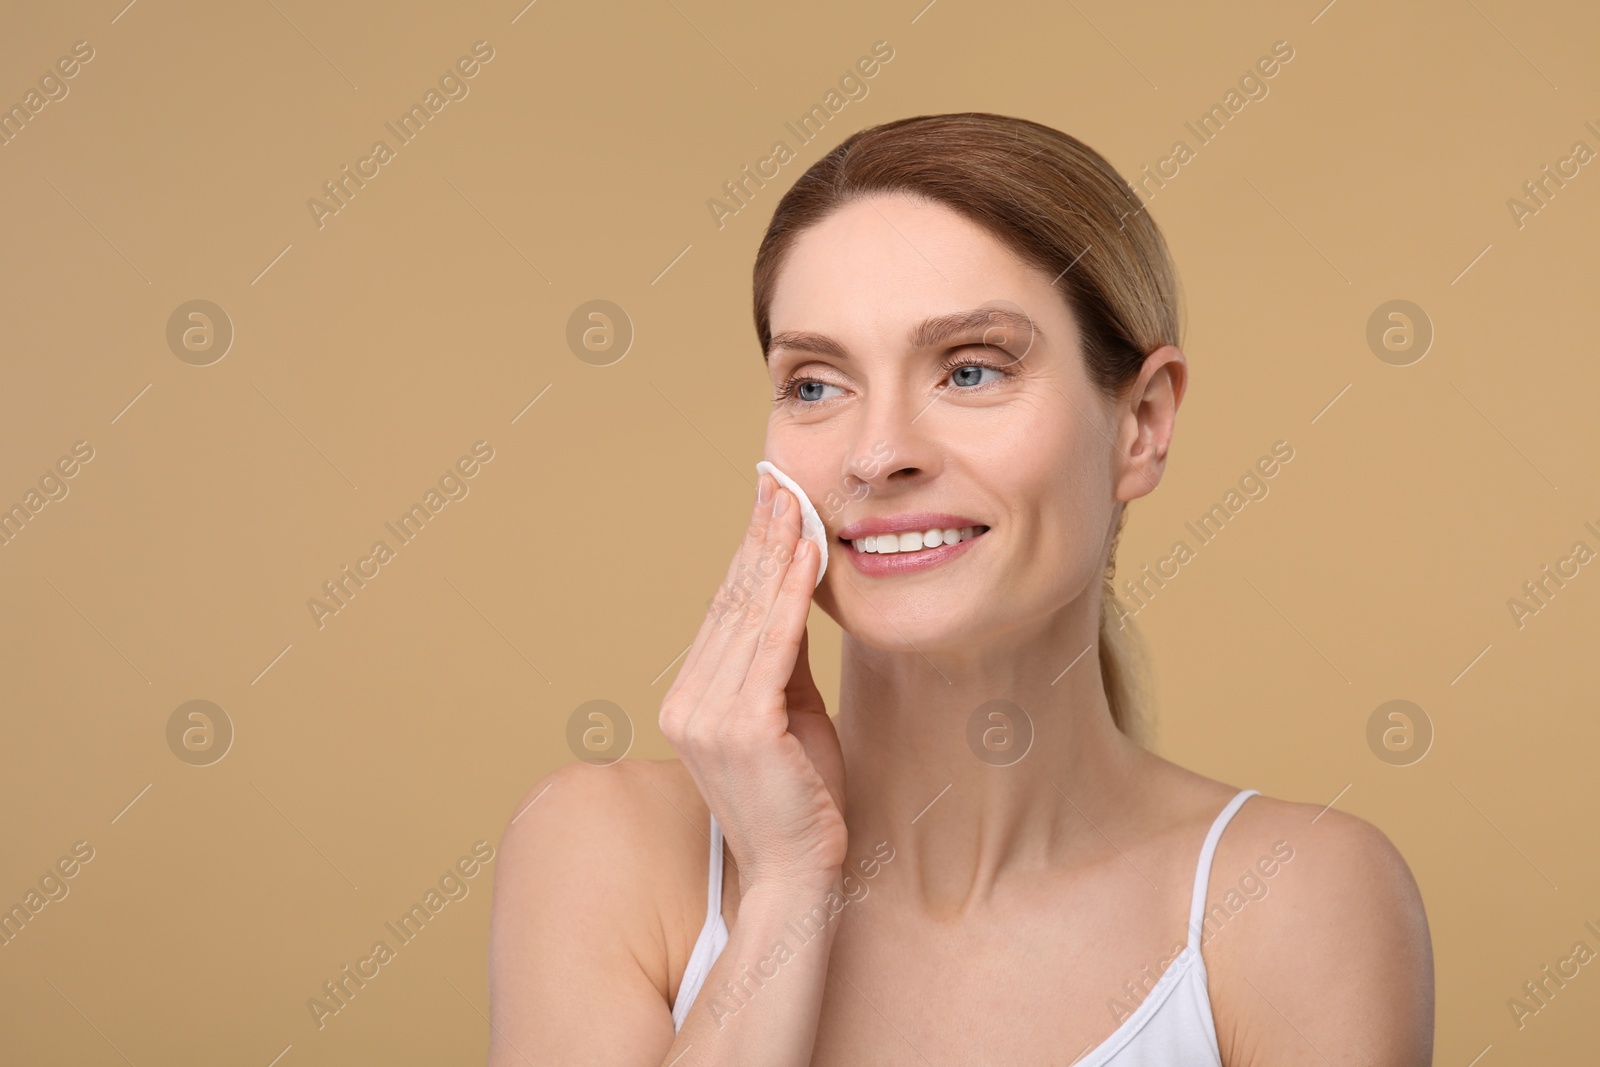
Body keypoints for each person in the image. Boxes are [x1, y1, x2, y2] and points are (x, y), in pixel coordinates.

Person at [486, 112, 1434, 1065]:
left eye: (971, 369)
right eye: (815, 385)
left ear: (1142, 424)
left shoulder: (1296, 899)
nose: (879, 451)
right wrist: (783, 888)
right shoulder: (602, 851)